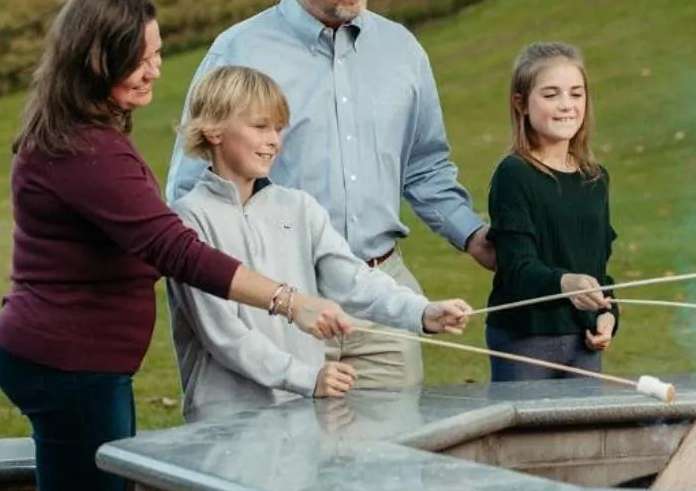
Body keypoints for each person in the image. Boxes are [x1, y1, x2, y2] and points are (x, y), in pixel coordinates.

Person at [0, 0, 350, 491]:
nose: (157, 67)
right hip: (68, 365)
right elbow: (174, 248)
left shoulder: (78, 135)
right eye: (142, 55)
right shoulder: (86, 151)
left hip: (70, 361)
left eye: (157, 52)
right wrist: (288, 300)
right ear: (99, 56)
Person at [166, 0, 494, 389]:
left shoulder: (402, 50)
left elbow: (424, 166)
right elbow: (191, 189)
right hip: (278, 302)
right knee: (285, 439)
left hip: (381, 293)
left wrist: (472, 235)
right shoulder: (239, 51)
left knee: (398, 438)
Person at [166, 64, 474, 419]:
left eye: (278, 129)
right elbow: (223, 335)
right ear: (214, 131)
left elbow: (353, 280)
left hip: (301, 410)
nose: (274, 141)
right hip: (225, 416)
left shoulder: (299, 207)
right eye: (260, 126)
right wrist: (306, 378)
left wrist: (420, 312)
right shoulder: (187, 221)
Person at [483, 41, 618, 382]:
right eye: (551, 94)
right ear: (521, 103)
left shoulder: (595, 179)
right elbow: (516, 268)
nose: (566, 105)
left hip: (584, 341)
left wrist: (609, 313)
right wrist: (564, 282)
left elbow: (598, 269)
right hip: (525, 339)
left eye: (576, 94)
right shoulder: (514, 174)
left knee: (587, 420)